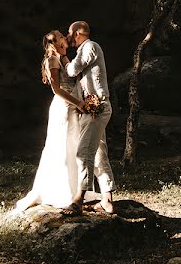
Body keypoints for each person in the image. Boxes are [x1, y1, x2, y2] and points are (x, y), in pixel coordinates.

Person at [12, 30, 85, 211]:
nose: (64, 38)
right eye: (61, 37)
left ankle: (76, 189)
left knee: (73, 145)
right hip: (64, 107)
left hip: (73, 106)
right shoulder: (53, 60)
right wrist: (78, 103)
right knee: (61, 146)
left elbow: (74, 77)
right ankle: (61, 191)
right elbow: (57, 90)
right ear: (54, 43)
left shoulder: (64, 57)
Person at [61, 21, 116, 215]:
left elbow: (72, 70)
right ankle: (107, 197)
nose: (68, 37)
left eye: (69, 33)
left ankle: (78, 200)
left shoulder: (91, 47)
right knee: (99, 152)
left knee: (83, 152)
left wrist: (63, 56)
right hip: (88, 109)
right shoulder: (85, 50)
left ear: (76, 33)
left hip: (98, 108)